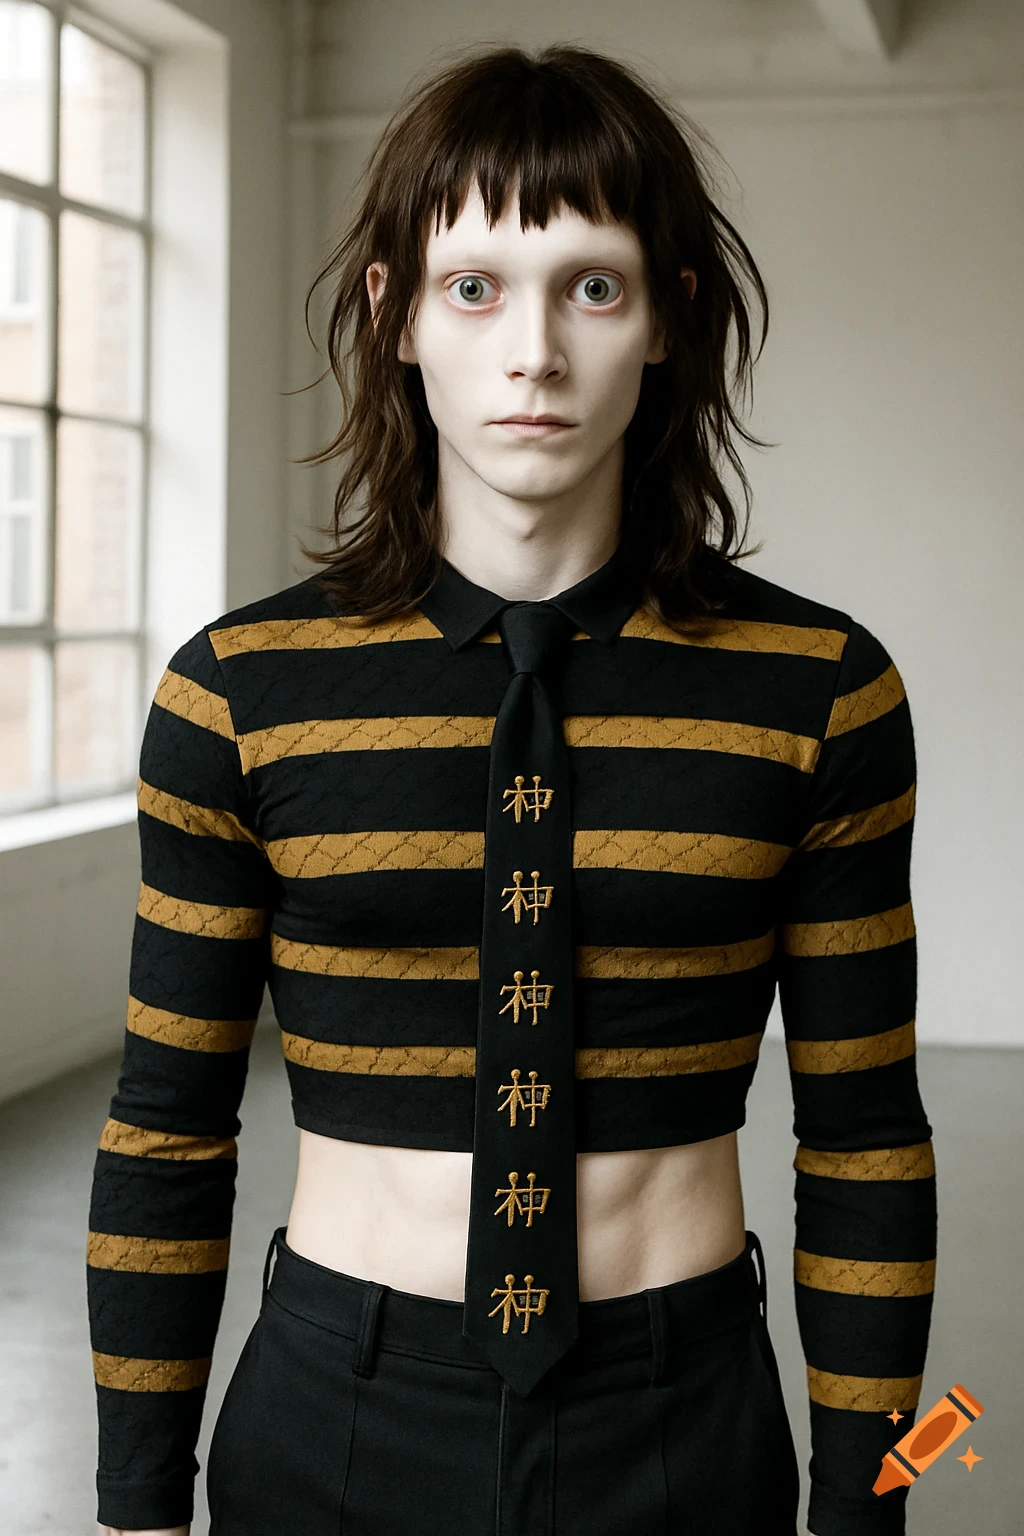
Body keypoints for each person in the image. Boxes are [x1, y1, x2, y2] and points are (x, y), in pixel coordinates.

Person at [88, 42, 937, 1536]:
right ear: (393, 316)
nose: (533, 351)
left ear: (667, 312)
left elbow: (868, 1136)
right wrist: (136, 1504)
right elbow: (168, 1123)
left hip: (685, 1417)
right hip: (333, 1411)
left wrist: (886, 1496)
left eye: (591, 286)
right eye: (474, 286)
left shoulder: (822, 690)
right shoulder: (237, 693)